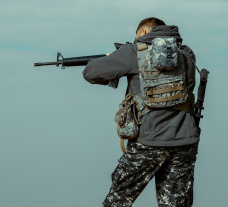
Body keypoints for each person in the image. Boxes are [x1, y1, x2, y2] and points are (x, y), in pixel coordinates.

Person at [83, 17, 200, 207]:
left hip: (147, 142)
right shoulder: (186, 55)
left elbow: (90, 73)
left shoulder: (133, 52)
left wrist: (111, 57)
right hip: (184, 143)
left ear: (144, 33)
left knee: (117, 201)